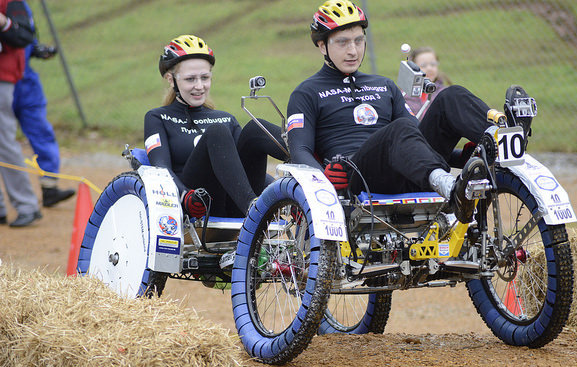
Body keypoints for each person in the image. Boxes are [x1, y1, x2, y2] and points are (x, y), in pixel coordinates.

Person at [287, 0, 513, 224]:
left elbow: (414, 140)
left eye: (358, 40)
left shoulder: (384, 85)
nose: (353, 51)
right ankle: (452, 190)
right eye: (342, 42)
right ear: (322, 46)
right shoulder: (306, 92)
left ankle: (501, 139)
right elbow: (300, 150)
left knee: (451, 95)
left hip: (410, 170)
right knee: (400, 128)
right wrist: (324, 182)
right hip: (359, 176)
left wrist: (460, 157)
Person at [144, 35, 287, 218]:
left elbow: (245, 170)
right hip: (195, 204)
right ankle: (255, 211)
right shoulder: (157, 117)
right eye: (190, 79)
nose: (199, 86)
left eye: (205, 78)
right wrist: (184, 195)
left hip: (235, 204)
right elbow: (160, 168)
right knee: (217, 132)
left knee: (255, 128)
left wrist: (281, 196)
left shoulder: (225, 118)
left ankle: (311, 165)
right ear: (171, 79)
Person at [12, 0, 75, 207]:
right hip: (5, 81)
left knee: (41, 133)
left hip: (26, 82)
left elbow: (24, 37)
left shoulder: (20, 5)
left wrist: (37, 50)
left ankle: (49, 188)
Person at [0, 0, 42, 227]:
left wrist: (4, 22)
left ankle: (27, 205)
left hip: (2, 79)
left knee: (3, 142)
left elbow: (24, 35)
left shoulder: (10, 2)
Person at [403, 46, 452, 121]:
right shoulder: (404, 96)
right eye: (423, 65)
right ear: (412, 69)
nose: (429, 68)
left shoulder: (445, 93)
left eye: (433, 64)